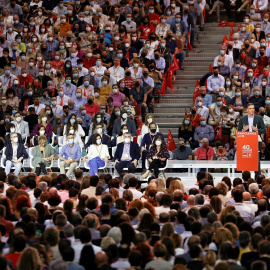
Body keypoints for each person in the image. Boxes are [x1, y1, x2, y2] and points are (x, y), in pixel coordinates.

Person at [238, 103, 266, 175]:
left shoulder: (259, 118)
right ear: (247, 110)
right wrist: (243, 131)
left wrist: (257, 130)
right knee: (246, 160)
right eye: (250, 108)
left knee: (256, 161)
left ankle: (258, 177)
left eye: (253, 108)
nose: (252, 110)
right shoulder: (242, 119)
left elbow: (264, 130)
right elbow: (238, 131)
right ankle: (246, 177)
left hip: (255, 140)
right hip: (245, 141)